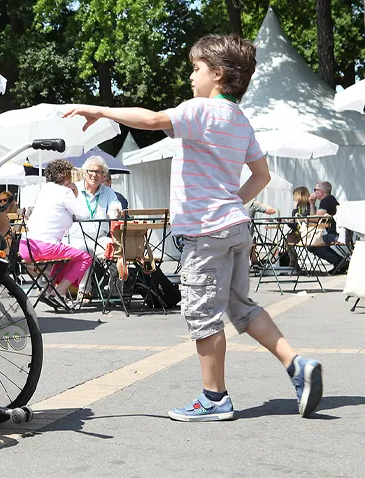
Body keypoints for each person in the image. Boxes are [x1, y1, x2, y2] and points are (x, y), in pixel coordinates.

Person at [64, 33, 322, 420]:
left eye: (196, 69)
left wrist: (100, 109)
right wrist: (232, 201)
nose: (190, 76)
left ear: (217, 74)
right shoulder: (240, 120)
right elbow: (262, 175)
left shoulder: (201, 110)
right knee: (241, 307)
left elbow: (151, 119)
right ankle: (296, 363)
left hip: (206, 231)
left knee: (201, 313)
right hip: (234, 227)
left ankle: (215, 399)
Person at [20, 159, 92, 306]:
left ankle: (49, 289)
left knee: (65, 257)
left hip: (26, 245)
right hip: (44, 246)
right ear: (65, 176)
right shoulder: (65, 192)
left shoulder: (45, 190)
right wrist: (76, 194)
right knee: (85, 258)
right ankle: (60, 291)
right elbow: (84, 214)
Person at [64, 155, 122, 298]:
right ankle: (84, 291)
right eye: (91, 171)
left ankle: (114, 290)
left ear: (104, 176)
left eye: (99, 172)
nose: (95, 175)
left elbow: (115, 207)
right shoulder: (73, 190)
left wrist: (115, 211)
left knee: (119, 250)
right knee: (86, 250)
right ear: (84, 172)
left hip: (100, 238)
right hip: (75, 238)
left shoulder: (108, 192)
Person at [308, 181, 346, 274]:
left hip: (336, 234)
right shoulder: (329, 199)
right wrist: (312, 204)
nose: (314, 192)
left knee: (312, 245)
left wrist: (303, 220)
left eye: (315, 190)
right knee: (315, 243)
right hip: (338, 233)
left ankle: (339, 262)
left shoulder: (327, 200)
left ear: (320, 192)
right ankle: (340, 262)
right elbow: (314, 218)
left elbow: (315, 219)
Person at [285, 186, 311, 268]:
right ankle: (293, 262)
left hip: (308, 232)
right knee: (287, 239)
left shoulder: (309, 206)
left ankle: (293, 262)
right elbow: (295, 222)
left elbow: (303, 218)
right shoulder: (299, 207)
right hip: (298, 232)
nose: (294, 198)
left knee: (289, 239)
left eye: (295, 196)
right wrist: (288, 222)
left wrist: (294, 209)